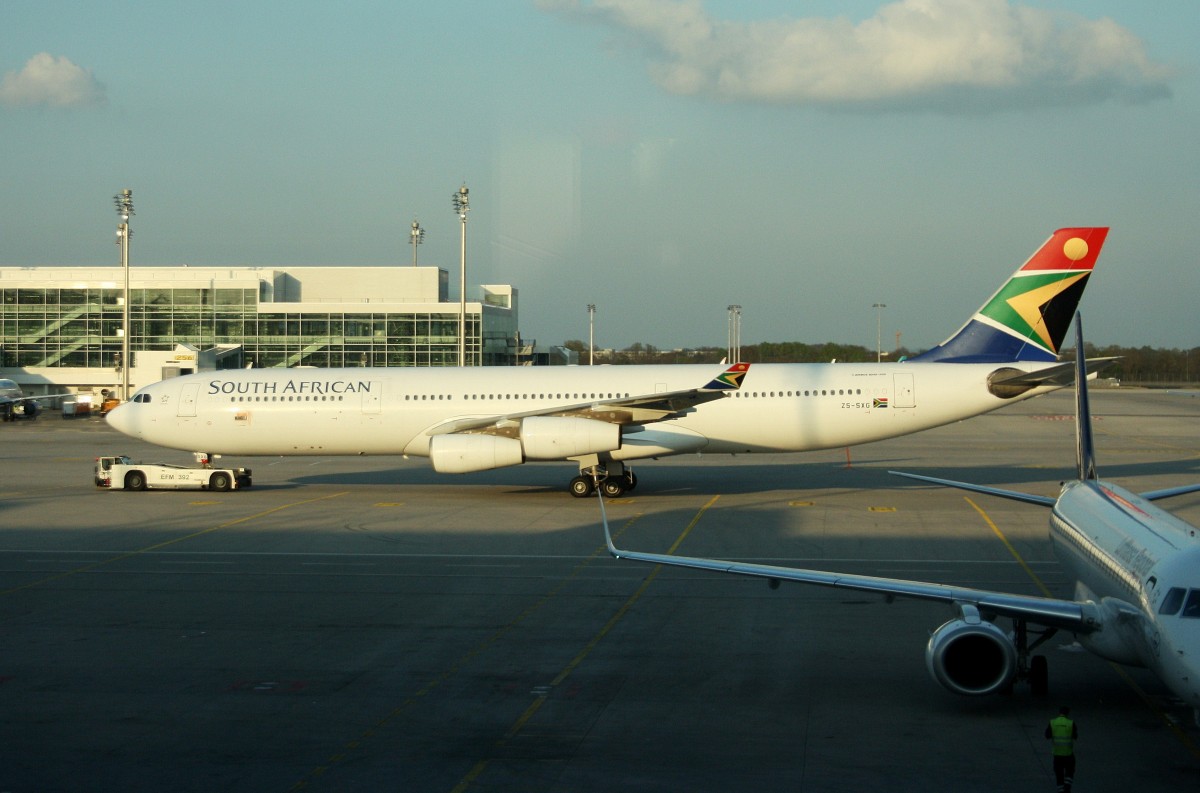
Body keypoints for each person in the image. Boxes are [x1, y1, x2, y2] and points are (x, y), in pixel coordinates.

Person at [1045, 705, 1078, 792]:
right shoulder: (1070, 723)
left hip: (1057, 754)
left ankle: (1061, 790)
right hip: (1068, 754)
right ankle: (1067, 787)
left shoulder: (1053, 722)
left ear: (1059, 712)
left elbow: (1047, 735)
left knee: (1059, 774)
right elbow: (1075, 736)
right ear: (1068, 713)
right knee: (1070, 771)